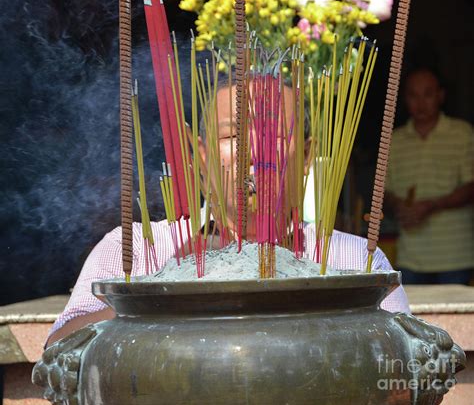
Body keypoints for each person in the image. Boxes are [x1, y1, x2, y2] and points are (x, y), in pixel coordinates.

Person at [47, 83, 411, 347]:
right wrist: (143, 303)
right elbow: (58, 350)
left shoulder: (353, 259)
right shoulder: (137, 249)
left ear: (305, 156)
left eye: (273, 133)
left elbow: (405, 359)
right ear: (202, 155)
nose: (253, 150)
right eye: (231, 135)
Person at [385, 67, 474, 285]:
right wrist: (398, 205)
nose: (420, 103)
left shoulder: (461, 132)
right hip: (411, 255)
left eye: (428, 94)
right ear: (405, 99)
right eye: (413, 95)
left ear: (440, 96)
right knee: (411, 317)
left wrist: (431, 205)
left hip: (455, 255)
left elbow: (471, 187)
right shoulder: (394, 140)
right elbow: (383, 192)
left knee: (455, 318)